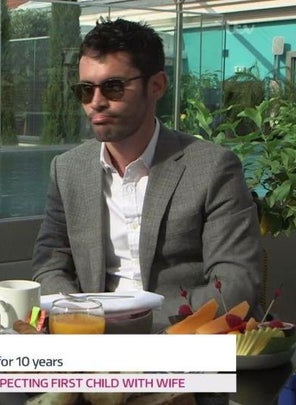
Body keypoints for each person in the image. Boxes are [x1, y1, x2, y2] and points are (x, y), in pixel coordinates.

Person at [32, 18, 261, 331]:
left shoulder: (212, 168)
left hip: (180, 342)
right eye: (85, 90)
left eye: (113, 87)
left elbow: (235, 286)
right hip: (90, 341)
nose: (96, 102)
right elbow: (49, 266)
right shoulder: (68, 169)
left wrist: (132, 324)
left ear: (156, 86)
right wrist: (82, 316)